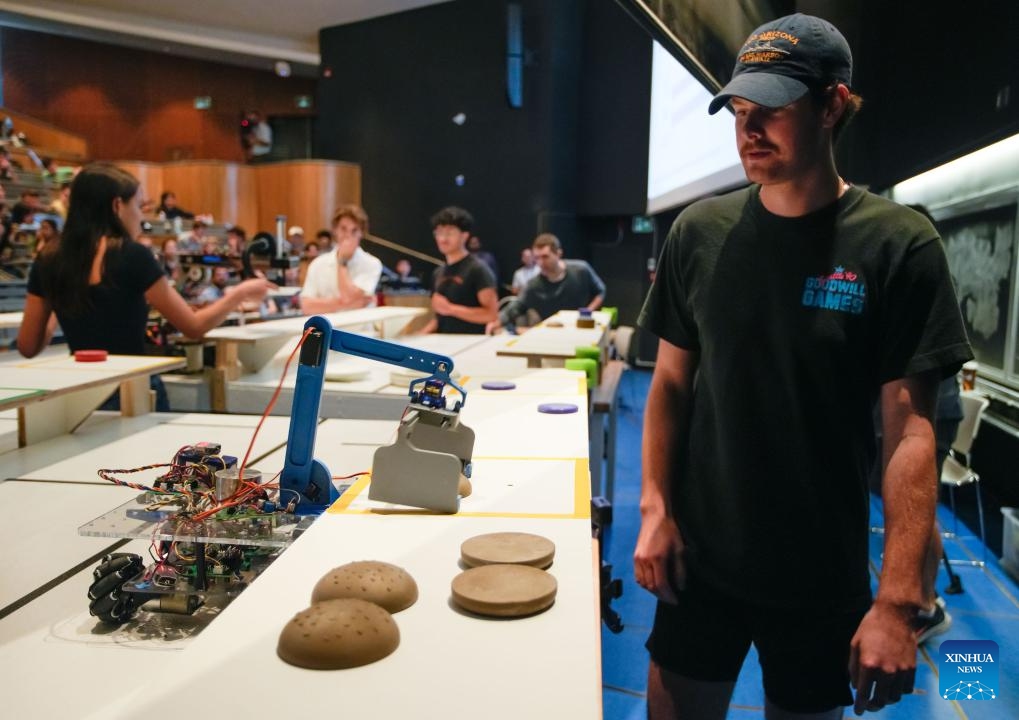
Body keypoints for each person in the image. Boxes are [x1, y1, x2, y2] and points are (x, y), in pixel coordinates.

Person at [631, 14, 972, 719]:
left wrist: (897, 599)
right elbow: (668, 383)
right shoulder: (699, 232)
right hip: (700, 561)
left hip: (820, 572)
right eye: (739, 113)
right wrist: (655, 508)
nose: (749, 131)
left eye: (772, 113)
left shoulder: (896, 245)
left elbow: (909, 432)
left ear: (832, 105)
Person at [17, 163, 272, 410]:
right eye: (138, 206)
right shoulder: (132, 255)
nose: (141, 217)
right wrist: (241, 292)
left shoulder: (49, 259)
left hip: (79, 396)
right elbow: (193, 327)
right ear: (117, 206)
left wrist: (60, 299)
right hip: (134, 392)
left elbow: (28, 347)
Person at [487, 233, 605, 334]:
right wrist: (496, 321)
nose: (541, 262)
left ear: (558, 254)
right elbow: (516, 307)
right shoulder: (534, 285)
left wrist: (588, 311)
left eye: (545, 257)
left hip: (581, 330)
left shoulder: (581, 270)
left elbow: (600, 291)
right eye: (537, 258)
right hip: (552, 334)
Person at [418, 206, 497, 334]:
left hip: (470, 344)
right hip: (444, 343)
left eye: (449, 233)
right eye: (439, 233)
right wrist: (419, 336)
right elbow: (440, 318)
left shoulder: (478, 269)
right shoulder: (438, 273)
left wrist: (451, 309)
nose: (442, 239)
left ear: (464, 236)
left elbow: (491, 314)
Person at [300, 204, 383, 314]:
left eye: (354, 231)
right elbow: (307, 307)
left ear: (361, 233)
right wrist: (346, 303)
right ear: (335, 230)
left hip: (359, 330)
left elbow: (348, 296)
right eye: (343, 229)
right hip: (328, 329)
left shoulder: (372, 264)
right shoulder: (318, 264)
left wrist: (342, 262)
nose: (348, 236)